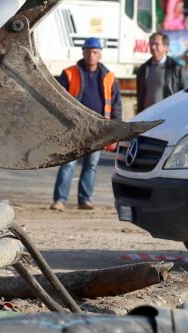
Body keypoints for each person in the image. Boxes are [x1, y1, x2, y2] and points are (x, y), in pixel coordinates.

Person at [50, 37, 122, 211]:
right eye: (88, 51)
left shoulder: (109, 77)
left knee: (91, 165)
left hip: (98, 129)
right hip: (73, 128)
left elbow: (116, 106)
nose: (91, 55)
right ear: (83, 52)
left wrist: (116, 131)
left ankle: (85, 199)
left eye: (95, 51)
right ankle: (60, 200)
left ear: (100, 54)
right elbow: (57, 101)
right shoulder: (69, 73)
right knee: (68, 164)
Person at [136, 33, 187, 113]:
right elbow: (140, 97)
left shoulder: (177, 69)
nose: (153, 47)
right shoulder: (143, 69)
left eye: (156, 44)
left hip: (169, 116)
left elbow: (186, 96)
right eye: (151, 44)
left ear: (165, 47)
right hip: (146, 119)